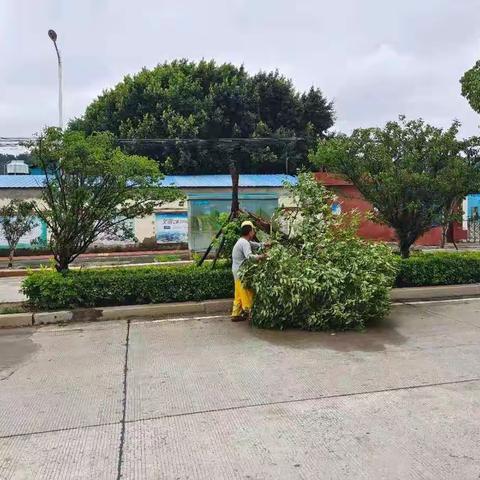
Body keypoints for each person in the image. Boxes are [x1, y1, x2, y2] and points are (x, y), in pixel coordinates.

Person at [231, 220, 266, 322]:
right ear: (250, 232)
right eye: (253, 231)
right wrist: (261, 256)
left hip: (236, 271)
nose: (254, 233)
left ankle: (236, 314)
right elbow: (250, 257)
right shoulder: (244, 243)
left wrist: (264, 245)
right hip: (241, 273)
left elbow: (255, 244)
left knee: (238, 294)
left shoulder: (242, 241)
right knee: (246, 293)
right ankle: (250, 314)